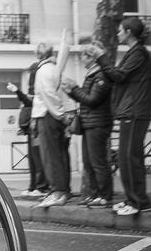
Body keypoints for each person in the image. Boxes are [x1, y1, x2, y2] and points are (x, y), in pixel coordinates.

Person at [92, 17, 151, 215]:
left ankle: (139, 202)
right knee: (127, 158)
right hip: (130, 110)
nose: (118, 34)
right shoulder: (134, 52)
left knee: (130, 158)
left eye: (120, 31)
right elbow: (118, 75)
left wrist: (102, 57)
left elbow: (118, 76)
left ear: (128, 32)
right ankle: (133, 200)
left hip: (135, 111)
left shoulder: (139, 53)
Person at [62, 42, 114, 207]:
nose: (80, 58)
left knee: (98, 162)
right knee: (89, 162)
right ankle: (94, 194)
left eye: (83, 55)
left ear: (91, 57)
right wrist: (72, 92)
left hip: (98, 124)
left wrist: (74, 89)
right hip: (90, 123)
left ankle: (105, 195)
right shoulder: (92, 74)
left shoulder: (101, 76)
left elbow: (92, 100)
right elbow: (85, 98)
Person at [31, 42, 78, 208]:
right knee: (60, 155)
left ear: (38, 55)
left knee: (50, 156)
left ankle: (57, 192)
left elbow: (47, 95)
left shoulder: (43, 71)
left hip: (48, 116)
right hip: (56, 116)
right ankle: (63, 190)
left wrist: (59, 115)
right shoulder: (55, 69)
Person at [7, 64, 49, 199]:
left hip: (37, 126)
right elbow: (28, 103)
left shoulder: (40, 85)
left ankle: (41, 187)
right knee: (33, 158)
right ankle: (34, 186)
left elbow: (29, 102)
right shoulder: (35, 85)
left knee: (37, 158)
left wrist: (17, 92)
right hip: (32, 126)